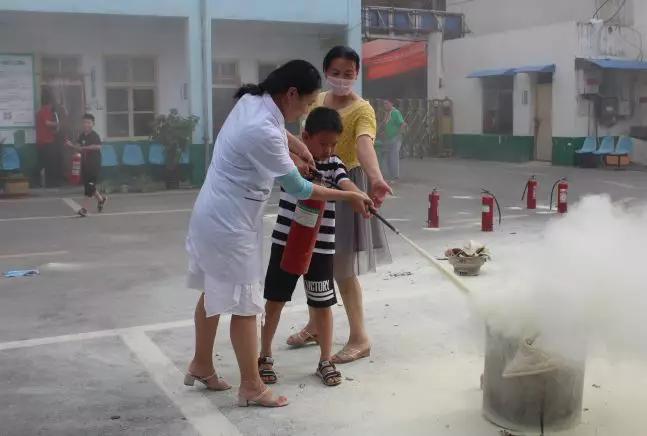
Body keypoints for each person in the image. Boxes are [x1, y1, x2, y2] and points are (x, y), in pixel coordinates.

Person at [183, 60, 373, 407]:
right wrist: (350, 195)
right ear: (290, 94)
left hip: (213, 214)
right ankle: (252, 387)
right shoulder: (263, 129)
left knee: (214, 290)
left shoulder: (253, 102)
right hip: (229, 224)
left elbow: (277, 132)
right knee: (245, 306)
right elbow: (301, 188)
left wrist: (297, 146)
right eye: (305, 103)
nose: (305, 111)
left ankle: (201, 363)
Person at [286, 46, 392, 364]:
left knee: (342, 267)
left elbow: (364, 146)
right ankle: (317, 324)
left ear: (357, 75)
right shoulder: (316, 101)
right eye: (336, 72)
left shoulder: (363, 110)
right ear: (326, 72)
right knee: (311, 259)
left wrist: (375, 178)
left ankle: (360, 337)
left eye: (349, 74)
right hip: (313, 185)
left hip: (345, 188)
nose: (342, 79)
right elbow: (302, 137)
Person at [260, 107, 364, 387]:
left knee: (322, 303)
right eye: (323, 143)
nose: (328, 150)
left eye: (333, 144)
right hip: (285, 242)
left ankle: (325, 359)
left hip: (320, 248)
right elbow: (301, 188)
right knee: (275, 300)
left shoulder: (334, 164)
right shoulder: (290, 162)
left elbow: (344, 182)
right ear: (305, 137)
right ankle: (264, 355)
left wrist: (358, 195)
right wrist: (348, 196)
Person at [65, 114, 107, 217]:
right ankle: (101, 200)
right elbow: (78, 147)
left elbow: (97, 147)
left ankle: (84, 209)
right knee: (89, 185)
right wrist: (71, 145)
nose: (86, 124)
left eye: (89, 122)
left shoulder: (95, 135)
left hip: (94, 164)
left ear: (93, 124)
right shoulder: (82, 135)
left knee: (89, 186)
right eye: (84, 122)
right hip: (85, 164)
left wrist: (84, 148)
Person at [35, 93, 60, 187]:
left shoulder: (40, 111)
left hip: (43, 141)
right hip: (46, 142)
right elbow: (47, 123)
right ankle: (51, 183)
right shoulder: (45, 110)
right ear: (50, 102)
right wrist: (56, 124)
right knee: (50, 163)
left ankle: (37, 182)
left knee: (43, 162)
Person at [381, 99, 407, 182]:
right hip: (388, 138)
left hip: (395, 138)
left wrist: (399, 134)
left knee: (393, 156)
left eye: (386, 103)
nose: (385, 105)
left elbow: (402, 124)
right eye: (384, 103)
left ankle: (395, 176)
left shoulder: (396, 112)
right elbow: (385, 125)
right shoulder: (387, 113)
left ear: (391, 103)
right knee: (388, 157)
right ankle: (391, 174)